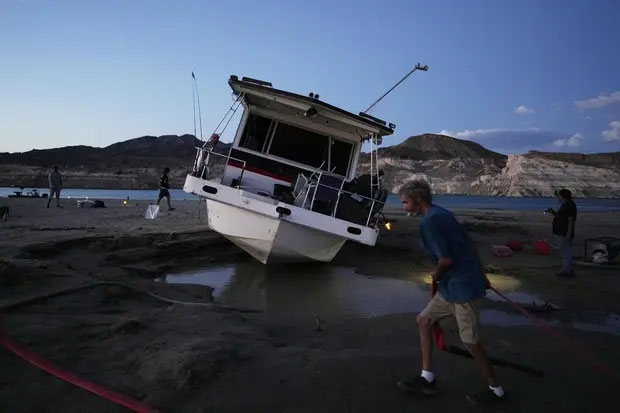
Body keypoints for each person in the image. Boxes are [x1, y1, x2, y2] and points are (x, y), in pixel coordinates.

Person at [396, 180, 506, 406]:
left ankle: (497, 391)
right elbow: (469, 243)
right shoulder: (442, 213)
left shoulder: (429, 222)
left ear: (418, 200)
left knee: (471, 343)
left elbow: (446, 260)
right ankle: (427, 377)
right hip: (452, 287)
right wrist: (482, 274)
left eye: (405, 202)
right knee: (424, 321)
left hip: (463, 289)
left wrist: (435, 273)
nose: (403, 207)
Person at [546, 188, 577, 277]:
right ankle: (567, 270)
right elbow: (560, 216)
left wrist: (568, 233)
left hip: (564, 232)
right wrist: (552, 212)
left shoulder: (569, 205)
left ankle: (567, 272)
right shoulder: (565, 205)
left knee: (566, 252)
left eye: (559, 197)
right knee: (564, 252)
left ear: (563, 197)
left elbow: (571, 220)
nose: (558, 198)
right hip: (561, 231)